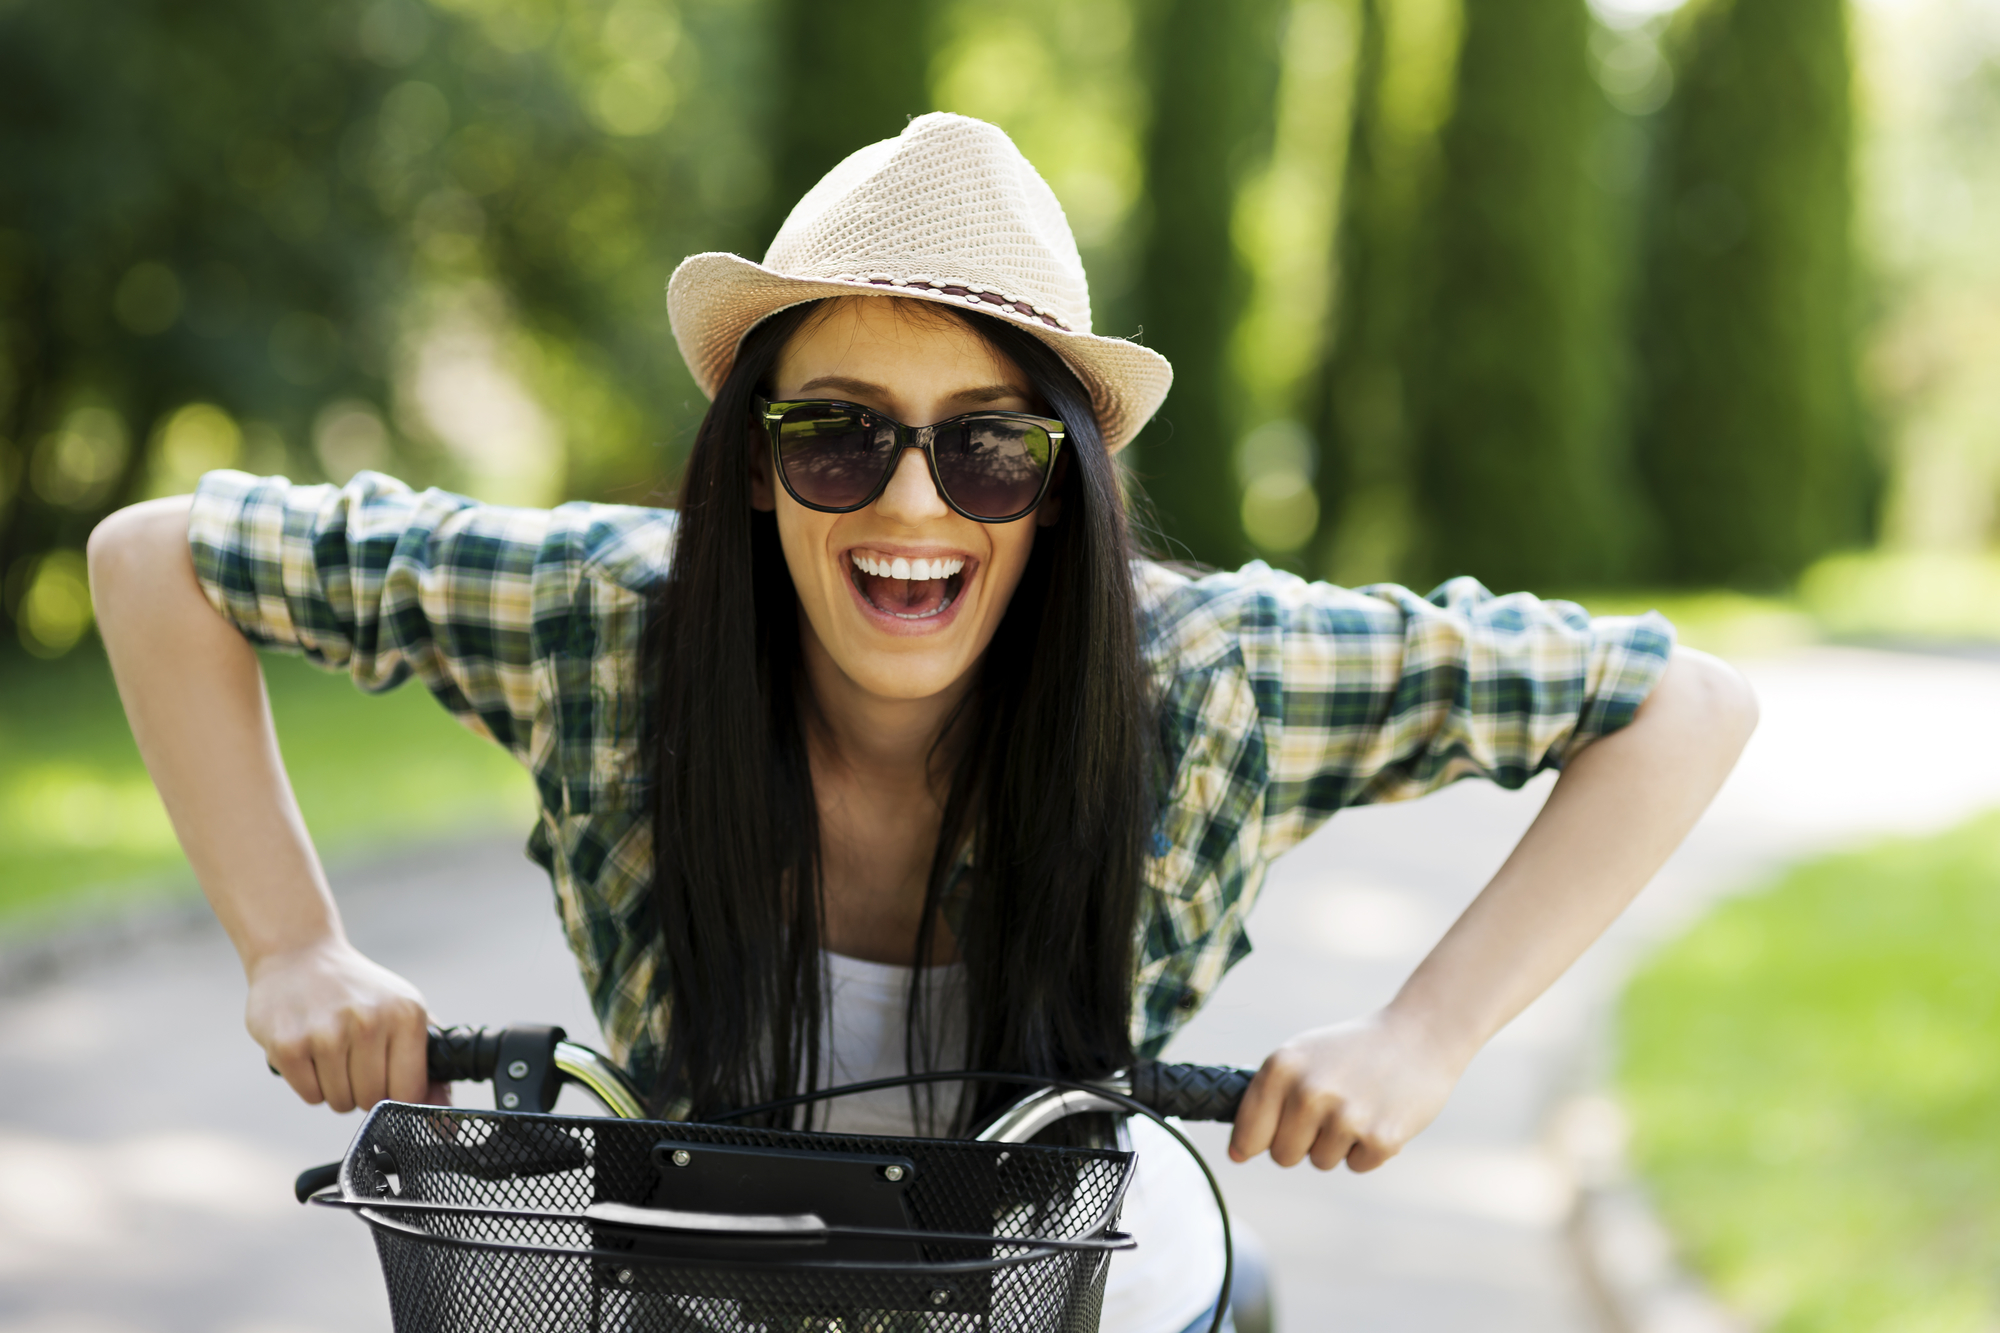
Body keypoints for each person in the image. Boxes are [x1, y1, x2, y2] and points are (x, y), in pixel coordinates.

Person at [89, 113, 1757, 1333]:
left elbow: (1682, 702)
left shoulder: (1210, 672)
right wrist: (291, 945)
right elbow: (157, 559)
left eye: (986, 449)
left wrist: (1424, 1036)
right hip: (711, 1290)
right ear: (755, 462)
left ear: (1065, 487)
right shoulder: (613, 619)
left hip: (1087, 1289)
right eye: (836, 437)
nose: (910, 504)